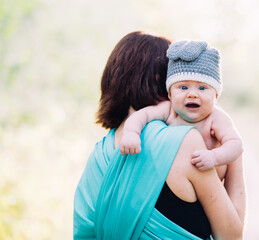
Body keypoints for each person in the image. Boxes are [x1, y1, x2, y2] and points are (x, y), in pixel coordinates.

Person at [73, 31, 246, 240]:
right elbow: (231, 235)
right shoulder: (183, 142)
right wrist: (234, 157)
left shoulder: (99, 154)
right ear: (163, 82)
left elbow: (84, 232)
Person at [120, 40, 243, 171]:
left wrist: (214, 157)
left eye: (202, 88)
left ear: (216, 96)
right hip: (176, 183)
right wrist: (131, 133)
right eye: (183, 87)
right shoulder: (169, 110)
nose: (192, 94)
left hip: (208, 183)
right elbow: (142, 115)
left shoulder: (216, 118)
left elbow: (236, 144)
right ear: (170, 94)